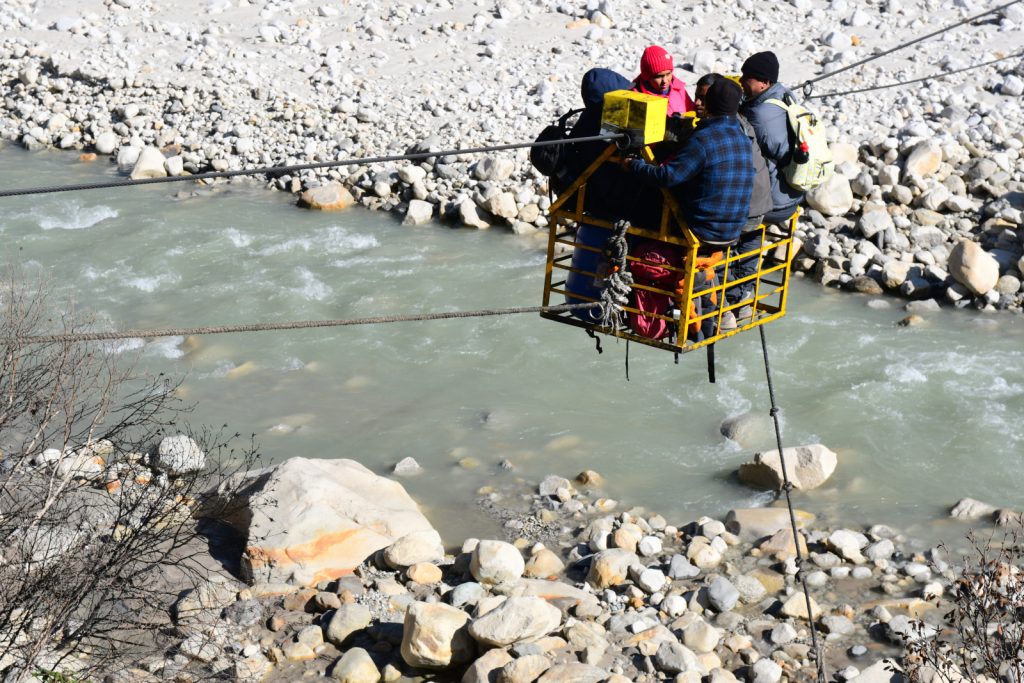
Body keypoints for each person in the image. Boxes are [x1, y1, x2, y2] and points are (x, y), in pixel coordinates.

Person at [623, 78, 753, 246]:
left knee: (647, 204)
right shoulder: (743, 138)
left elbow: (667, 177)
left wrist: (633, 164)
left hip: (702, 229)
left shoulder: (704, 139)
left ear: (709, 104)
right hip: (732, 232)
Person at [694, 73, 772, 324]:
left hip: (742, 206)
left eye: (704, 98)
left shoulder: (720, 131)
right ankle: (742, 302)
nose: (697, 104)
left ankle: (724, 309)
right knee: (744, 256)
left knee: (715, 255)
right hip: (761, 203)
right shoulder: (742, 123)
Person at [738, 51, 803, 225]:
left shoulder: (759, 115)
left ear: (764, 83)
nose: (741, 81)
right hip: (793, 197)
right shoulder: (785, 95)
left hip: (773, 204)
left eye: (747, 77)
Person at [632, 45, 694, 117]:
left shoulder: (679, 90)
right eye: (658, 76)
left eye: (668, 74)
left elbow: (692, 113)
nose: (665, 81)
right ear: (647, 76)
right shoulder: (636, 98)